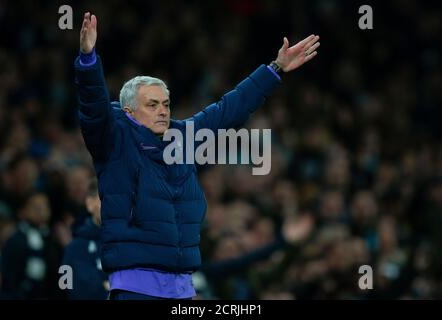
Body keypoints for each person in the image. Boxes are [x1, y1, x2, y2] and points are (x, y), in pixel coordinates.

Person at [75, 12, 319, 300]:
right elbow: (93, 107)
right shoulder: (112, 140)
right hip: (136, 288)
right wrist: (88, 61)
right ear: (129, 112)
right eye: (152, 105)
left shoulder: (184, 137)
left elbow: (229, 108)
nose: (163, 110)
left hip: (183, 288)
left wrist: (275, 68)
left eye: (165, 103)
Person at [62, 179, 109, 300]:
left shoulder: (134, 243)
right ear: (90, 204)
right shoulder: (74, 248)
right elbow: (66, 285)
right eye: (105, 198)